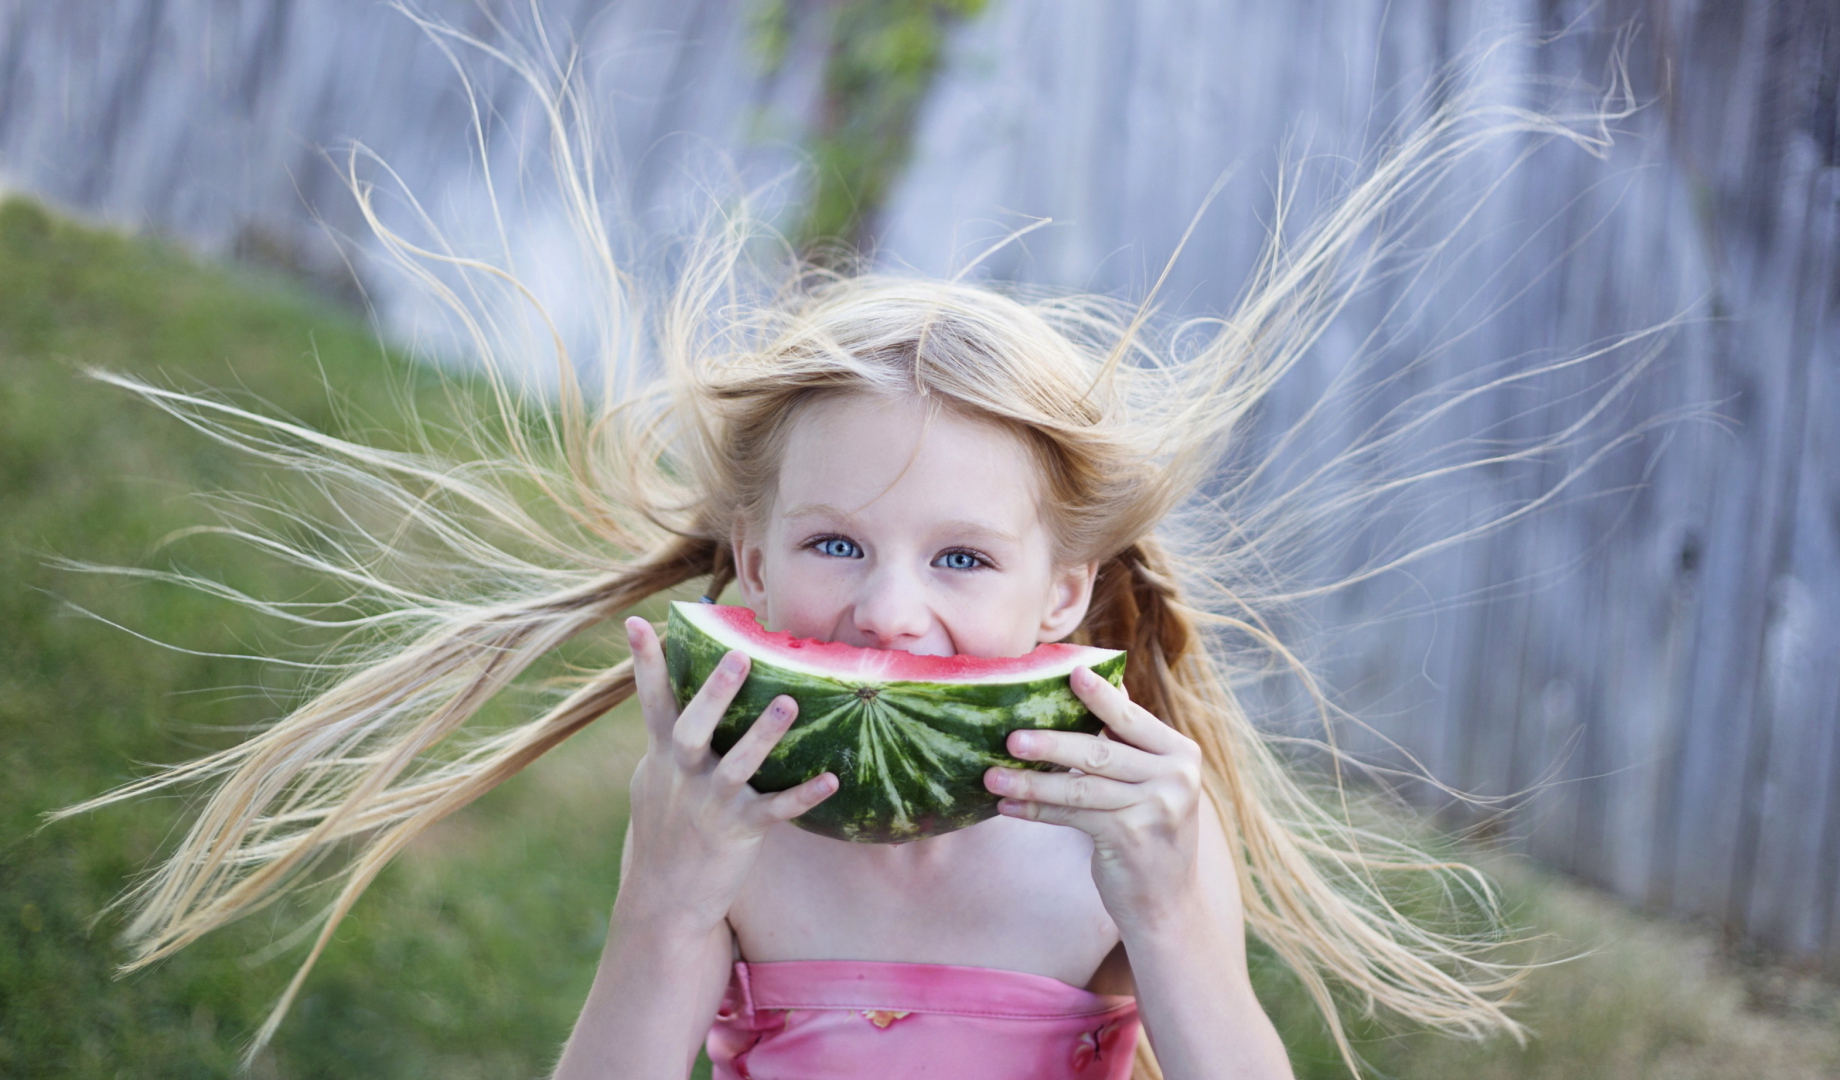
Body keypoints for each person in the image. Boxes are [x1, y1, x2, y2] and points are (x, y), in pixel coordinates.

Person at [60, 41, 1632, 1079]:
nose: (888, 609)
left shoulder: (1120, 838)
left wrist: (1173, 923)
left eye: (961, 556)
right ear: (746, 559)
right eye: (833, 543)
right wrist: (669, 910)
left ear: (1061, 597)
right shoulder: (732, 828)